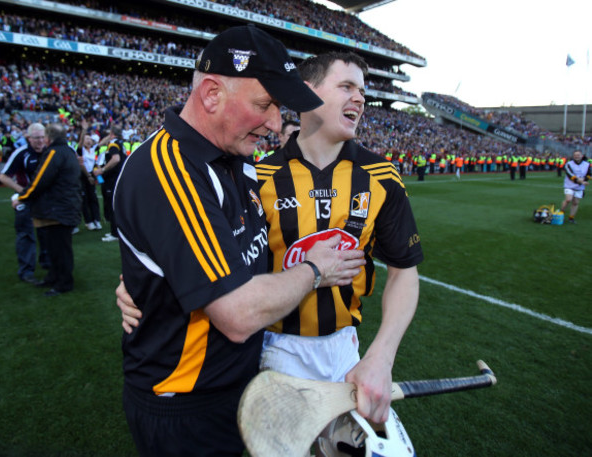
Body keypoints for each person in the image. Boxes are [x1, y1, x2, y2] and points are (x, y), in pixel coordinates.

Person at [116, 51, 423, 455]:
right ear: (308, 94)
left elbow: (405, 270)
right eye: (346, 86)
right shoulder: (253, 175)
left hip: (346, 347)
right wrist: (135, 282)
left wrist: (381, 358)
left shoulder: (382, 176)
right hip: (271, 349)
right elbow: (190, 249)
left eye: (363, 90)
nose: (360, 99)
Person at [12, 123, 82, 297]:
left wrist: (22, 197)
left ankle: (63, 283)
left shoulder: (53, 153)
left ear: (48, 138)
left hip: (57, 209)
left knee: (59, 249)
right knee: (55, 247)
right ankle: (54, 277)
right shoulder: (68, 152)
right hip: (65, 206)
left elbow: (40, 179)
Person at [0, 123, 50, 283]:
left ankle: (46, 262)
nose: (40, 141)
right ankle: (26, 270)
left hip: (44, 201)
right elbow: (3, 176)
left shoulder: (50, 152)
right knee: (25, 234)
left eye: (43, 137)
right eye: (36, 138)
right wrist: (21, 191)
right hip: (26, 201)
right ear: (28, 138)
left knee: (46, 232)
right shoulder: (21, 153)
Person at [93, 124, 125, 242]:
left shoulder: (113, 145)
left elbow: (115, 159)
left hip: (112, 178)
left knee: (112, 205)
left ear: (112, 134)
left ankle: (115, 233)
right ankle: (116, 231)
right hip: (117, 177)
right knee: (115, 205)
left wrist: (103, 169)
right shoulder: (119, 142)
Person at [76, 120, 102, 231]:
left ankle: (97, 219)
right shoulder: (81, 150)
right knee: (84, 198)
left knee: (93, 197)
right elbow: (81, 142)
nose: (88, 141)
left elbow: (102, 143)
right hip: (82, 175)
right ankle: (89, 221)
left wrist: (111, 134)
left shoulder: (93, 150)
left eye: (89, 139)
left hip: (91, 174)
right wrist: (84, 130)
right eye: (86, 139)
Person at [559, 150, 590, 224]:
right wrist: (581, 181)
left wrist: (584, 179)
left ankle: (571, 218)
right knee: (568, 199)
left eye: (578, 155)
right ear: (573, 156)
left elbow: (589, 174)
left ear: (581, 156)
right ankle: (561, 212)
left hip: (580, 187)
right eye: (575, 155)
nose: (577, 156)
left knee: (575, 202)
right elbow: (570, 175)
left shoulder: (587, 164)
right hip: (569, 185)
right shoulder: (568, 164)